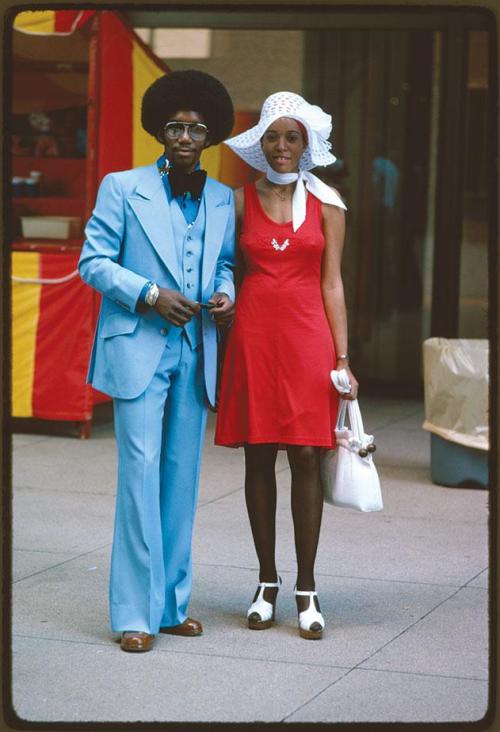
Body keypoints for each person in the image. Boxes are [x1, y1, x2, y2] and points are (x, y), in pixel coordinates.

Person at [78, 70, 235, 653]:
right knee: (140, 478)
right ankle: (133, 616)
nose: (185, 136)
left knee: (180, 481)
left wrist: (226, 296)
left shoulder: (222, 199)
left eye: (196, 129)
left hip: (195, 353)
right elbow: (93, 262)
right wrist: (149, 293)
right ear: (160, 131)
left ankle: (170, 606)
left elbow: (223, 264)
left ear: (211, 135)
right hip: (137, 347)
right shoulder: (122, 187)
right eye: (175, 126)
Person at [215, 91, 358, 640]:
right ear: (260, 142)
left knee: (305, 454)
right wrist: (222, 300)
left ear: (307, 145)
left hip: (308, 339)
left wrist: (343, 359)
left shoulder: (328, 203)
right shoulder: (235, 200)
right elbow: (226, 266)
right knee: (259, 455)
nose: (281, 146)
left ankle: (307, 587)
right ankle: (266, 582)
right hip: (254, 336)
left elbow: (333, 282)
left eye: (291, 137)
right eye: (273, 136)